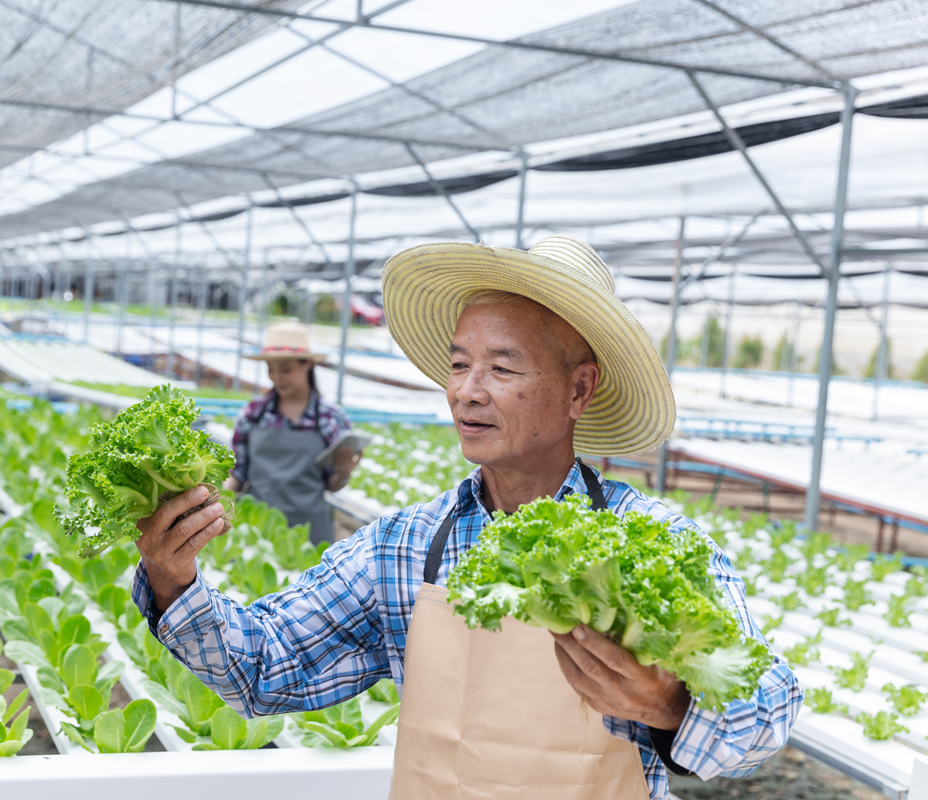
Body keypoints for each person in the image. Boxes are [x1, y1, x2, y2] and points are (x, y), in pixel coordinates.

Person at [133, 237, 800, 800]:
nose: (467, 392)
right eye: (459, 366)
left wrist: (671, 704)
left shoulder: (651, 542)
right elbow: (263, 667)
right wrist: (172, 580)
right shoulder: (403, 547)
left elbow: (769, 705)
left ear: (579, 389)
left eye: (502, 368)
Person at [222, 320, 361, 545]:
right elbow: (237, 472)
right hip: (256, 528)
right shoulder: (254, 413)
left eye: (285, 369)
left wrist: (344, 474)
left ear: (308, 364)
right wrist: (219, 498)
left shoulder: (330, 417)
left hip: (309, 533)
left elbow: (331, 483)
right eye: (271, 369)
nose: (277, 377)